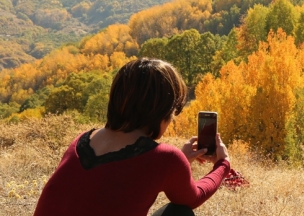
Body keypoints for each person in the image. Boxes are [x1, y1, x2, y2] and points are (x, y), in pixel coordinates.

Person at [33, 58, 230, 216]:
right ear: (161, 112)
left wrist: (181, 161)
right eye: (172, 112)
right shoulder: (165, 159)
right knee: (179, 213)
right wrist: (222, 164)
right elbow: (193, 197)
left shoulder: (80, 141)